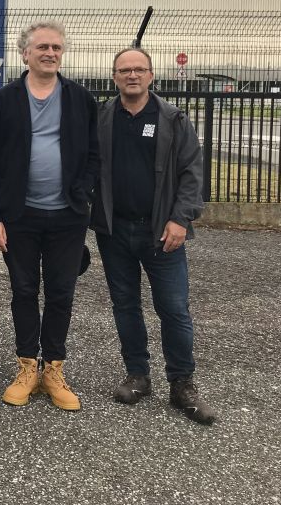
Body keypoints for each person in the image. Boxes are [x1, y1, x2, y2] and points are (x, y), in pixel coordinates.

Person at [0, 21, 98, 411]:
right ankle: (27, 367)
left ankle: (54, 371)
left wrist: (82, 192)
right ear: (24, 53)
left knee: (62, 292)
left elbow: (94, 155)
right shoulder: (5, 100)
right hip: (19, 217)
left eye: (56, 47)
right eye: (42, 46)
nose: (50, 52)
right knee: (24, 292)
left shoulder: (80, 99)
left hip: (67, 217)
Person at [91, 48, 215, 425]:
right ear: (114, 77)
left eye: (138, 69)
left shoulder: (172, 119)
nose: (132, 75)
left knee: (173, 308)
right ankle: (138, 375)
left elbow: (192, 172)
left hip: (161, 230)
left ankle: (182, 383)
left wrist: (180, 219)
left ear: (151, 75)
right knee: (125, 305)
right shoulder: (103, 118)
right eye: (124, 70)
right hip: (115, 231)